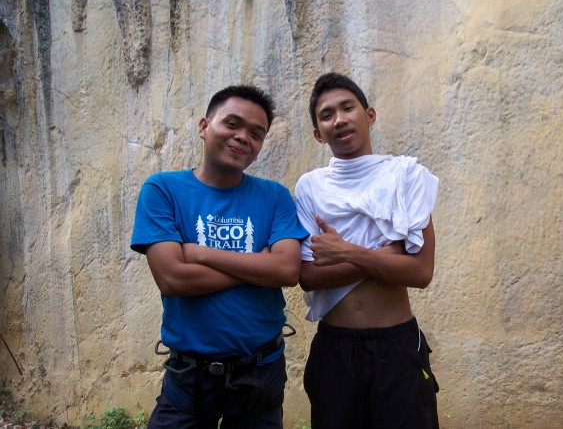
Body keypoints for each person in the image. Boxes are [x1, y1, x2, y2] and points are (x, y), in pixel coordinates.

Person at [131, 84, 309, 429]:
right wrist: (260, 264)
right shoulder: (162, 189)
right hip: (188, 376)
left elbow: (288, 269)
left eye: (256, 133)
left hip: (261, 370)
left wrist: (200, 253)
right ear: (204, 127)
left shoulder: (274, 196)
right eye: (232, 124)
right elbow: (172, 278)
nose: (243, 137)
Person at [294, 72, 440, 429]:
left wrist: (346, 252)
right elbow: (309, 276)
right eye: (327, 115)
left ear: (369, 115)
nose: (339, 119)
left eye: (348, 108)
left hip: (398, 347)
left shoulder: (406, 177)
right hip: (335, 348)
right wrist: (389, 254)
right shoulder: (311, 187)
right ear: (318, 133)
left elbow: (420, 273)